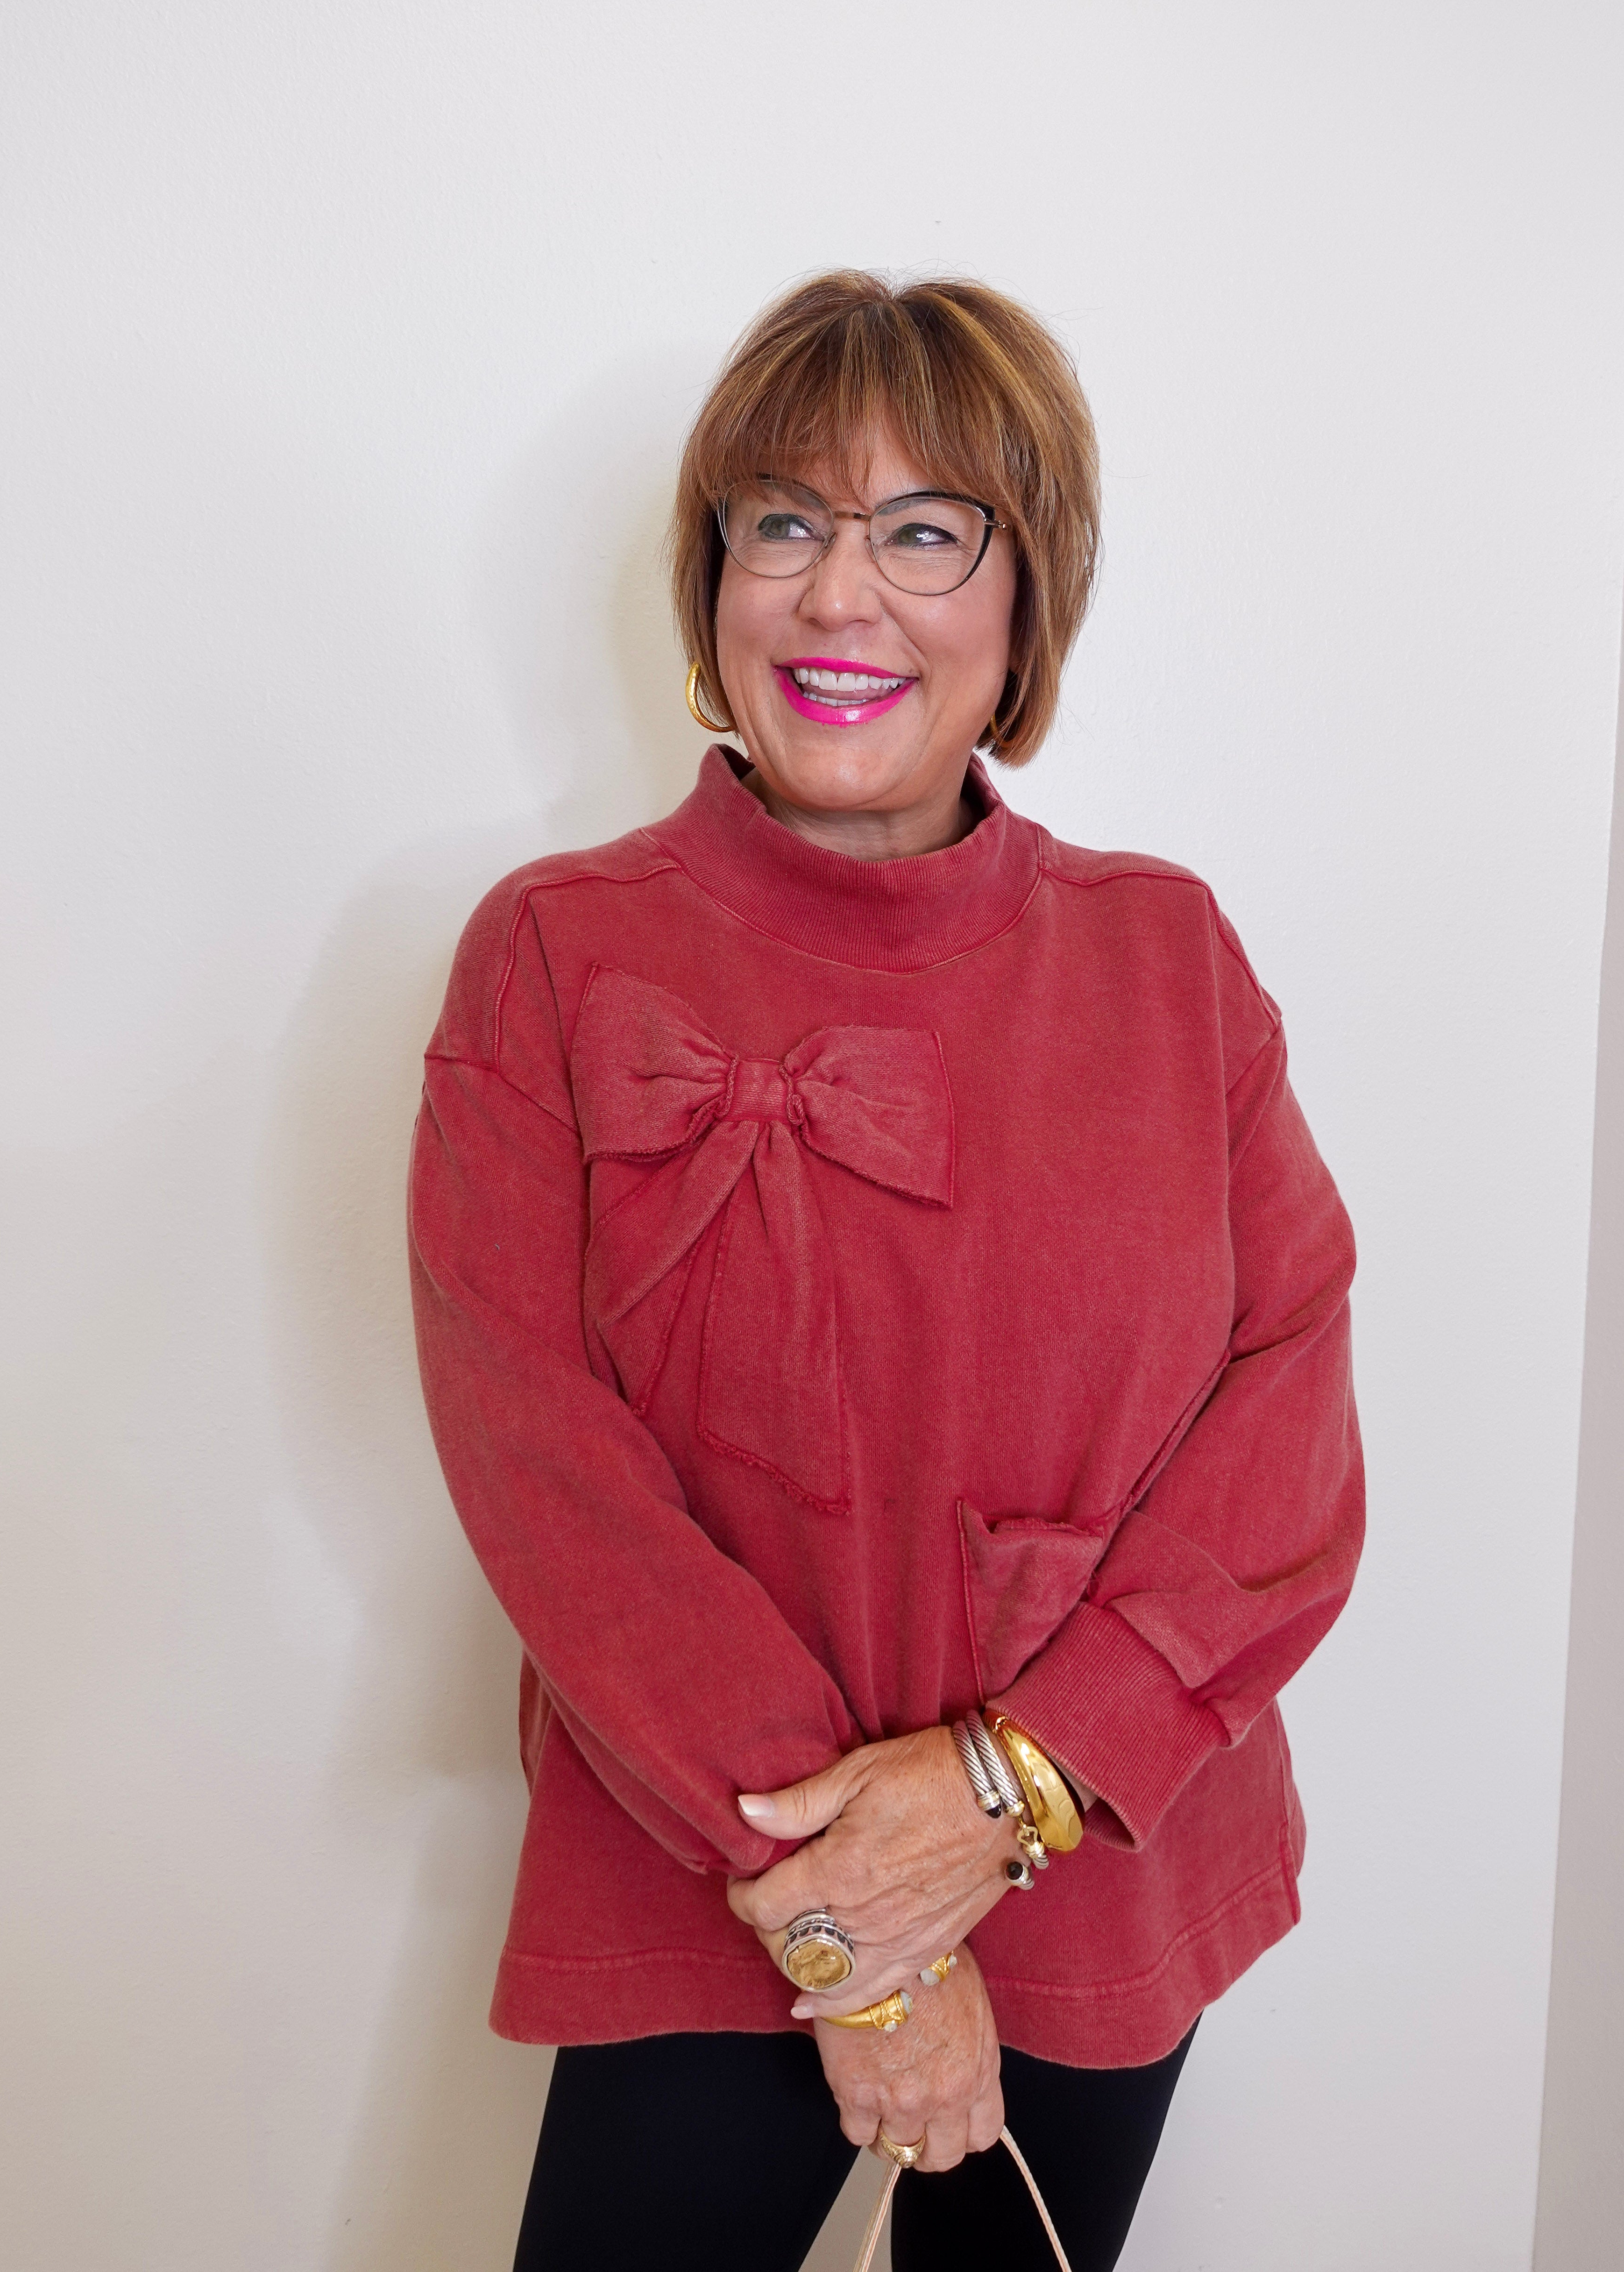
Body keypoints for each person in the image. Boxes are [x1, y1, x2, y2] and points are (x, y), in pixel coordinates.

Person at [408, 270, 1363, 2271]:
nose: (843, 598)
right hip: (705, 1884)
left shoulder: (1169, 958)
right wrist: (865, 1929)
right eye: (785, 525)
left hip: (1097, 1863)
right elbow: (545, 1472)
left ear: (1026, 597)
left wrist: (1013, 1787)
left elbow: (1287, 1416)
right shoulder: (553, 956)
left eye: (926, 532)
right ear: (716, 581)